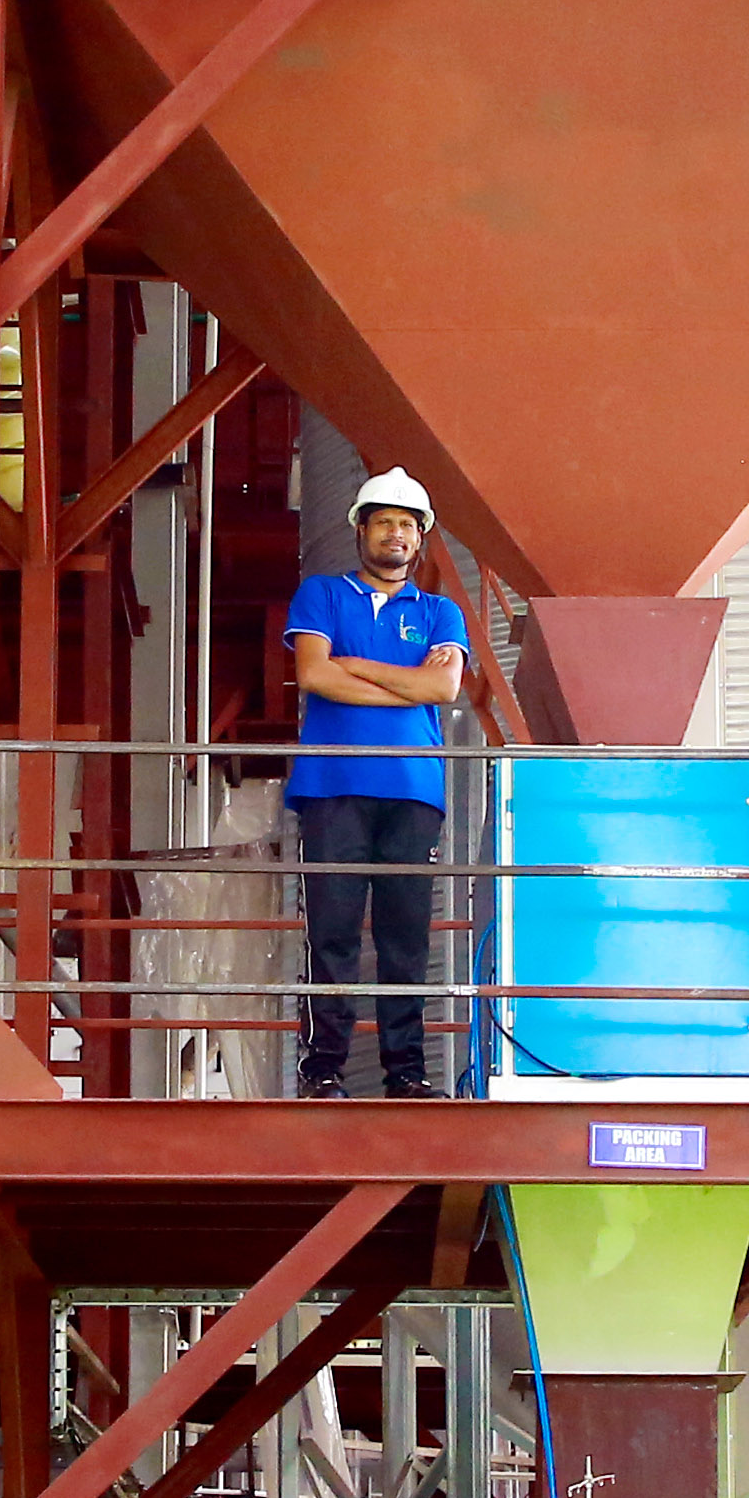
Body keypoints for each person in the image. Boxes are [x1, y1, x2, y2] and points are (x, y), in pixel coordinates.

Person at [285, 463, 471, 1098]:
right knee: (331, 932)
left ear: (421, 539)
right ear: (360, 530)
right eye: (385, 521)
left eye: (408, 526)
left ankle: (407, 1073)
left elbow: (442, 688)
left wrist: (356, 664)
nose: (397, 534)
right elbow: (314, 676)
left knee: (405, 938)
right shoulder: (321, 593)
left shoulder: (442, 611)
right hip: (331, 786)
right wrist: (406, 683)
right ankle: (323, 1069)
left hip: (414, 790)